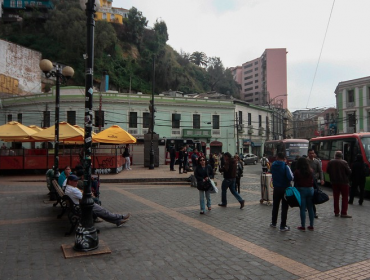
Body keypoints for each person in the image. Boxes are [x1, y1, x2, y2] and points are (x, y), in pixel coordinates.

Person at [65, 175, 130, 227]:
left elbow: (82, 194)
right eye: (75, 181)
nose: (77, 182)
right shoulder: (73, 190)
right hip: (84, 207)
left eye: (77, 181)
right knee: (104, 212)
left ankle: (118, 221)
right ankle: (121, 217)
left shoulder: (69, 188)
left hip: (79, 206)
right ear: (70, 181)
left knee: (102, 213)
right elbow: (86, 196)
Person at [270, 152, 293, 231]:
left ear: (277, 157)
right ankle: (283, 226)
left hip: (276, 188)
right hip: (285, 188)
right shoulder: (285, 166)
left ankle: (273, 223)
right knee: (284, 207)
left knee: (275, 206)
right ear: (284, 158)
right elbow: (290, 177)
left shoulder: (273, 165)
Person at [326, 151, 352, 218]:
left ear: (335, 155)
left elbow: (327, 171)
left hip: (334, 182)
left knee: (336, 197)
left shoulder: (331, 162)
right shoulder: (344, 162)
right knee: (345, 197)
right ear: (341, 156)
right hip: (344, 182)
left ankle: (336, 212)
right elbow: (349, 172)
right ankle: (343, 213)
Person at [294, 157, 315, 231]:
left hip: (302, 190)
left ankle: (303, 226)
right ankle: (311, 225)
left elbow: (295, 181)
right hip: (310, 190)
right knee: (310, 208)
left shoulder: (297, 171)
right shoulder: (311, 170)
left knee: (302, 209)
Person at [307, 149, 324, 218]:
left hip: (314, 180)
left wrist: (322, 179)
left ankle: (313, 211)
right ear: (308, 154)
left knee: (313, 195)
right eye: (310, 153)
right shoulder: (306, 161)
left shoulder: (317, 161)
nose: (312, 154)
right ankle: (311, 210)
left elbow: (320, 171)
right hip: (307, 181)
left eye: (313, 153)